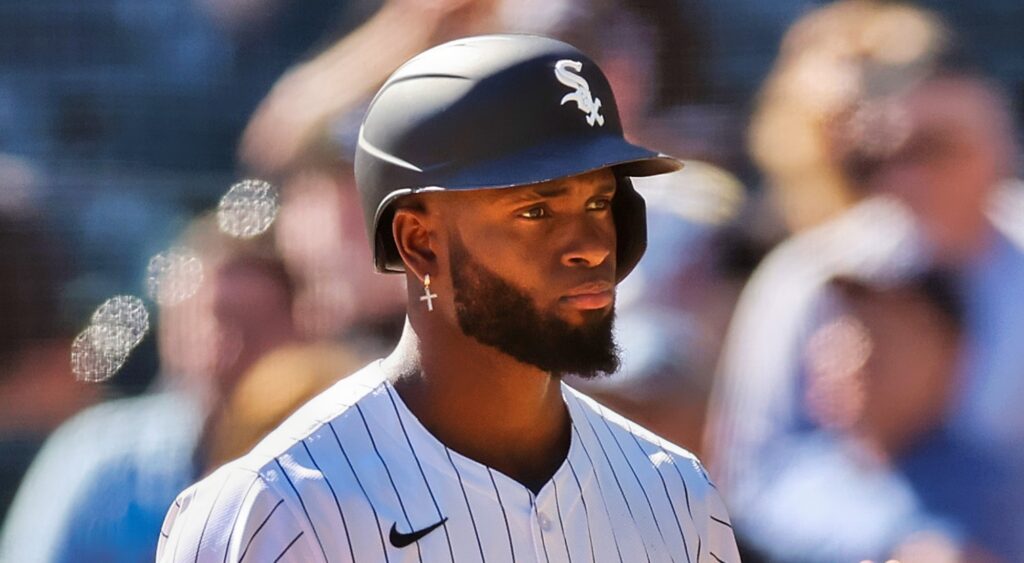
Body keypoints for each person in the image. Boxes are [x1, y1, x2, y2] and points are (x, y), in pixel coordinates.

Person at [157, 34, 740, 562]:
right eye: (536, 210)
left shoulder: (676, 494)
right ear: (419, 241)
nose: (591, 245)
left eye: (599, 202)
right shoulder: (276, 509)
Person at [705, 2, 1024, 560]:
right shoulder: (814, 275)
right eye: (881, 154)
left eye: (935, 148)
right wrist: (901, 537)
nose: (907, 176)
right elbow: (757, 471)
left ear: (997, 146)